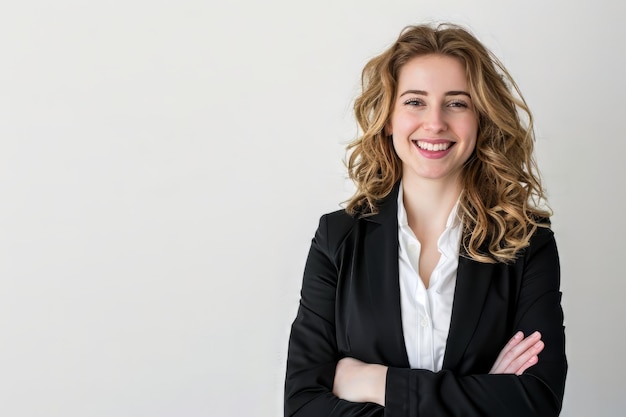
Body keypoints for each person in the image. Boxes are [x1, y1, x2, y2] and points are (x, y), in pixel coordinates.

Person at [284, 23, 567, 417]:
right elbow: (302, 407)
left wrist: (375, 382)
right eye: (415, 102)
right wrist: (483, 394)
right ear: (388, 118)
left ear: (481, 118)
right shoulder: (337, 238)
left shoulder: (527, 243)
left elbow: (536, 403)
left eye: (457, 103)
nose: (435, 123)